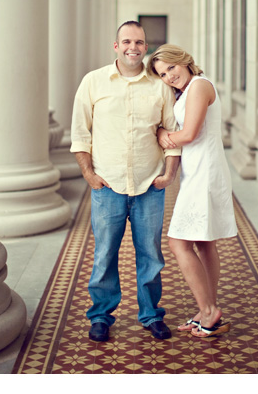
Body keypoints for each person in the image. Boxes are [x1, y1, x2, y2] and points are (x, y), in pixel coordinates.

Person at [71, 21, 181, 343]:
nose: (134, 47)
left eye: (140, 42)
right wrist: (89, 175)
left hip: (149, 186)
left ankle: (151, 315)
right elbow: (80, 134)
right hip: (108, 186)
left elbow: (172, 133)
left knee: (151, 255)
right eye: (127, 41)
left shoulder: (159, 87)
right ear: (116, 46)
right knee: (105, 254)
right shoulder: (93, 82)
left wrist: (169, 175)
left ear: (145, 47)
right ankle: (101, 316)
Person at [148, 44, 238, 339]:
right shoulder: (188, 90)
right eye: (162, 74)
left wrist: (163, 135)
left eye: (171, 68)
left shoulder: (199, 85)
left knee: (178, 243)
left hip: (205, 172)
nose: (169, 76)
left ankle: (210, 311)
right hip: (198, 170)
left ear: (183, 61)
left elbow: (189, 135)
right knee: (204, 243)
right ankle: (207, 308)